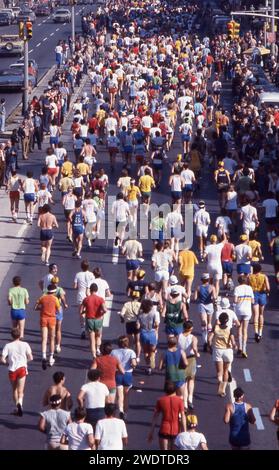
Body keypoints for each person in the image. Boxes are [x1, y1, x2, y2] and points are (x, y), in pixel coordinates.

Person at [1, 327, 33, 417]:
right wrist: (24, 362)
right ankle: (20, 404)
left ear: (11, 335)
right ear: (20, 335)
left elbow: (2, 359)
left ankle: (17, 407)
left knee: (14, 389)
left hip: (12, 369)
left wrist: (8, 362)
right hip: (22, 368)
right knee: (21, 390)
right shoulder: (25, 344)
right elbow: (31, 357)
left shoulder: (8, 345)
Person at [148, 381, 186, 450]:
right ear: (175, 390)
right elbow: (183, 416)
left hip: (164, 429)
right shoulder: (179, 401)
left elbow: (155, 417)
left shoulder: (160, 400)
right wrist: (184, 431)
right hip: (176, 429)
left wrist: (151, 432)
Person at [208, 312, 237, 397]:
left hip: (217, 350)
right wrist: (235, 346)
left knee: (219, 372)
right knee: (226, 370)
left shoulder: (215, 327)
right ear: (227, 320)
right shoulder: (229, 329)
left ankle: (220, 383)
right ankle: (223, 389)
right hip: (227, 350)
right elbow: (232, 341)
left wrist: (209, 347)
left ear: (219, 320)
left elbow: (209, 339)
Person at [35, 284, 60, 369]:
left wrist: (42, 309)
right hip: (52, 319)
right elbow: (59, 310)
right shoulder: (55, 299)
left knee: (44, 339)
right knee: (52, 339)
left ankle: (43, 356)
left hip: (43, 319)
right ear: (54, 291)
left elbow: (36, 307)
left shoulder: (42, 297)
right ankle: (51, 358)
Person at [111, 335, 137, 420]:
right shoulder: (131, 352)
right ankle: (125, 413)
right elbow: (133, 363)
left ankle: (120, 410)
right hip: (128, 375)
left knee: (119, 395)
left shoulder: (113, 352)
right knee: (126, 395)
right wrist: (133, 366)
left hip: (118, 374)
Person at [80, 283, 107, 358]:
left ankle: (94, 355)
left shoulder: (86, 299)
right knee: (98, 336)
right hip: (98, 320)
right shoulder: (100, 299)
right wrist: (101, 313)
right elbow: (105, 309)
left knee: (92, 339)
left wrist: (85, 311)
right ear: (97, 290)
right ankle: (98, 349)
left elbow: (81, 311)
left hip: (89, 320)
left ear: (90, 290)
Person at [178, 320, 199, 411]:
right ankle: (190, 398)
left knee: (184, 381)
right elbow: (194, 347)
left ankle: (185, 403)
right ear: (191, 328)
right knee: (191, 379)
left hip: (181, 359)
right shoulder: (193, 337)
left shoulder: (178, 336)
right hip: (190, 359)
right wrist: (197, 353)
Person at [194, 273, 216, 352]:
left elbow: (195, 298)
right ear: (208, 279)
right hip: (209, 304)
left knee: (204, 323)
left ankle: (205, 341)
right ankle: (209, 340)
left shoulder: (198, 287)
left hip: (201, 305)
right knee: (209, 323)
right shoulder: (212, 287)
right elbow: (215, 297)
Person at [234, 275, 254, 358]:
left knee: (239, 328)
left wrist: (239, 300)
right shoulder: (250, 288)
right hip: (247, 311)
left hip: (239, 310)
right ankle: (244, 349)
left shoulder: (237, 288)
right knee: (245, 330)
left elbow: (235, 300)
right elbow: (253, 301)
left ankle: (240, 347)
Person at [249, 263, 270, 342]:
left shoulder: (250, 277)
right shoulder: (264, 276)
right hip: (262, 294)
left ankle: (256, 332)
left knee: (255, 315)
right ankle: (260, 332)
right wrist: (267, 292)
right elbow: (268, 288)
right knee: (261, 314)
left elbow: (248, 286)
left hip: (254, 294)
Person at [74, 260, 95, 339]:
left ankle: (82, 329)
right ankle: (89, 328)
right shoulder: (91, 275)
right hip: (89, 295)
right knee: (90, 313)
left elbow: (75, 286)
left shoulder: (78, 274)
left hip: (80, 295)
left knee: (81, 313)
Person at [137, 298, 159, 375]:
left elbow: (137, 326)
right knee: (152, 350)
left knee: (145, 352)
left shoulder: (140, 315)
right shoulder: (153, 314)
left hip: (143, 334)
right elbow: (156, 324)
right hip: (152, 333)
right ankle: (152, 356)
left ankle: (148, 367)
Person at [119, 293, 141, 361]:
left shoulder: (127, 304)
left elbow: (121, 314)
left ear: (131, 297)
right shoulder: (140, 304)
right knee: (137, 341)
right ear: (138, 297)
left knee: (130, 342)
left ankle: (131, 356)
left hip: (129, 323)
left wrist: (122, 320)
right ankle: (137, 357)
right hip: (137, 323)